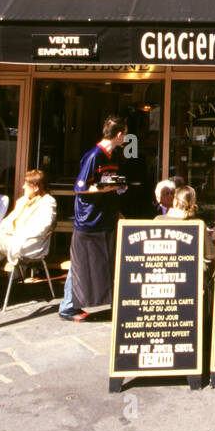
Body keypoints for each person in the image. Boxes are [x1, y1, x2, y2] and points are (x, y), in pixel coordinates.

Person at [63, 115, 127, 321]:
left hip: (104, 219)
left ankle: (75, 304)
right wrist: (108, 187)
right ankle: (67, 307)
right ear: (118, 134)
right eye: (125, 133)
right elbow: (80, 188)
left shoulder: (114, 155)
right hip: (88, 221)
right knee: (80, 264)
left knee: (96, 263)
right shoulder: (94, 156)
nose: (126, 137)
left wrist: (115, 208)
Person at [0, 169, 56, 267]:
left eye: (26, 185)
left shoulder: (48, 202)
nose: (23, 187)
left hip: (28, 244)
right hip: (13, 240)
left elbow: (43, 227)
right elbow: (7, 221)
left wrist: (17, 233)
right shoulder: (23, 201)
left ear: (35, 187)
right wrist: (6, 230)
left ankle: (16, 277)